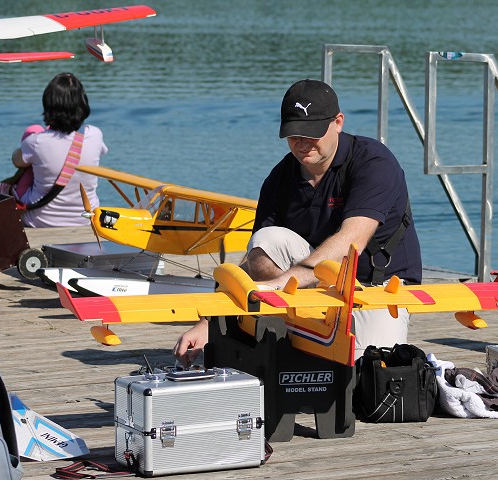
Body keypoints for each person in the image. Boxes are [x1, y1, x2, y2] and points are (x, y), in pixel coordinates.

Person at [174, 79, 421, 366]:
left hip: (378, 287)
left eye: (312, 133)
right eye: (293, 134)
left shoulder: (374, 162)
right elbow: (254, 259)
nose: (302, 143)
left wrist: (281, 284)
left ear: (338, 122)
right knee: (268, 239)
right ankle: (303, 325)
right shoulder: (279, 178)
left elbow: (352, 241)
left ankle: (304, 332)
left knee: (367, 374)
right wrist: (210, 322)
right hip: (318, 284)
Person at [11, 72, 107, 227]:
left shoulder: (37, 141)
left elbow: (16, 161)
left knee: (19, 176)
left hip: (39, 221)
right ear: (82, 104)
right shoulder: (95, 134)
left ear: (48, 105)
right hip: (85, 218)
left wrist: (31, 137)